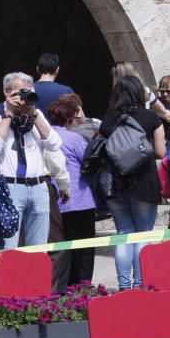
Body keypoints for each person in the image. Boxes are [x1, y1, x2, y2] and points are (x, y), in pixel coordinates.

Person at [99, 75, 167, 290]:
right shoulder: (151, 118)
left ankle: (124, 285)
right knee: (143, 234)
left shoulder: (109, 119)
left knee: (123, 233)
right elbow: (160, 151)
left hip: (116, 183)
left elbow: (99, 145)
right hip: (144, 181)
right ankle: (140, 284)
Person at [0, 72, 62, 249]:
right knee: (8, 248)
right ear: (6, 91)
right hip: (9, 187)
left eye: (29, 93)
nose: (24, 98)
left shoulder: (34, 115)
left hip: (38, 186)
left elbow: (55, 144)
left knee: (38, 250)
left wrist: (33, 114)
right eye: (21, 93)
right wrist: (9, 114)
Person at [47, 95, 96, 289]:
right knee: (84, 249)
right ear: (69, 119)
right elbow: (88, 162)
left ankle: (63, 287)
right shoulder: (75, 138)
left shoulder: (45, 137)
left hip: (57, 202)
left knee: (63, 248)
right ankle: (83, 287)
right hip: (82, 199)